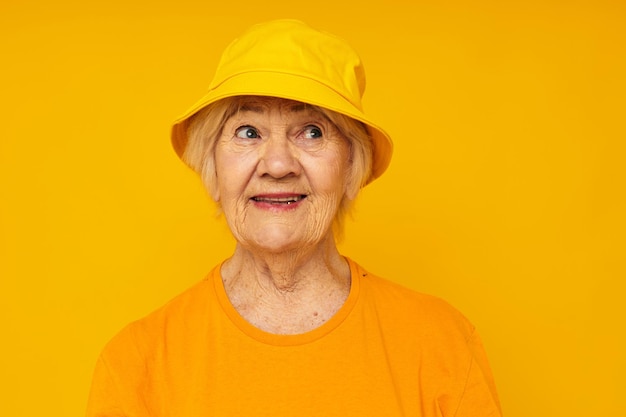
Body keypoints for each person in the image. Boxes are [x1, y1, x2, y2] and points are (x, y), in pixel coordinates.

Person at [86, 19, 502, 417]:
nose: (279, 164)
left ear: (351, 164)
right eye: (248, 131)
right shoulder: (135, 365)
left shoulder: (442, 344)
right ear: (212, 165)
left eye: (313, 131)